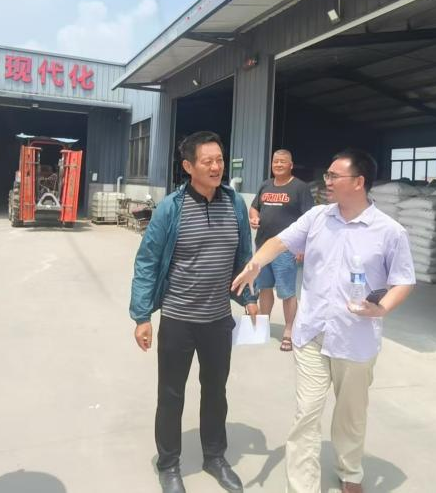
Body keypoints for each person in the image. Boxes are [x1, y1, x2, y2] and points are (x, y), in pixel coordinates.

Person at [232, 149, 415, 493]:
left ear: (359, 182)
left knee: (350, 415)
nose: (326, 181)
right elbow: (278, 241)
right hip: (312, 333)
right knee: (306, 414)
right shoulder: (317, 217)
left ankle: (350, 471)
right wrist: (256, 263)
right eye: (327, 175)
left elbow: (404, 280)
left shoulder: (389, 231)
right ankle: (302, 487)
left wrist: (382, 308)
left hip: (355, 339)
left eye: (334, 176)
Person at [130, 131, 259, 493]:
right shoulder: (171, 208)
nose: (216, 167)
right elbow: (147, 261)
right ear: (188, 166)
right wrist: (142, 316)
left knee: (216, 391)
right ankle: (169, 464)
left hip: (218, 320)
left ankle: (215, 457)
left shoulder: (234, 204)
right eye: (208, 161)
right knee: (171, 395)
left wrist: (249, 298)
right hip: (178, 320)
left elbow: (243, 257)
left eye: (220, 160)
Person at [249, 149, 313, 351]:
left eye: (282, 161)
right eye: (275, 161)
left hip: (286, 248)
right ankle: (263, 326)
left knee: (286, 292)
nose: (278, 164)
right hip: (263, 246)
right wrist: (254, 217)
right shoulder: (265, 185)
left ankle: (288, 330)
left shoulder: (300, 187)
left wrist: (303, 246)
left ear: (291, 165)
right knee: (264, 288)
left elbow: (309, 219)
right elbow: (254, 207)